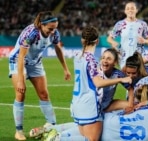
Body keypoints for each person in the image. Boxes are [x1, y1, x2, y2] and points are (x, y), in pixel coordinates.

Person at [8, 11, 71, 141]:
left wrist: (65, 69)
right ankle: (18, 131)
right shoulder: (31, 34)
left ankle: (53, 126)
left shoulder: (55, 33)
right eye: (50, 29)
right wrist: (21, 79)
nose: (53, 32)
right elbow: (21, 56)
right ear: (42, 25)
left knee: (44, 94)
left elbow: (58, 49)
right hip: (18, 61)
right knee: (20, 93)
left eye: (55, 28)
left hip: (35, 63)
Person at [71, 26, 132, 141]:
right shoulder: (92, 60)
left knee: (84, 138)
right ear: (97, 41)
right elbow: (98, 83)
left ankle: (59, 137)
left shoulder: (77, 56)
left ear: (82, 40)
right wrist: (120, 80)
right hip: (89, 106)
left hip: (76, 103)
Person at [107, 1, 148, 68]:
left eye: (132, 8)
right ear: (125, 11)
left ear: (136, 10)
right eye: (128, 8)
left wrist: (145, 41)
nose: (130, 10)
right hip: (124, 57)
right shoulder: (120, 24)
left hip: (139, 57)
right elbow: (109, 39)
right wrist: (113, 42)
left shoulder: (143, 24)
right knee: (125, 77)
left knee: (138, 77)